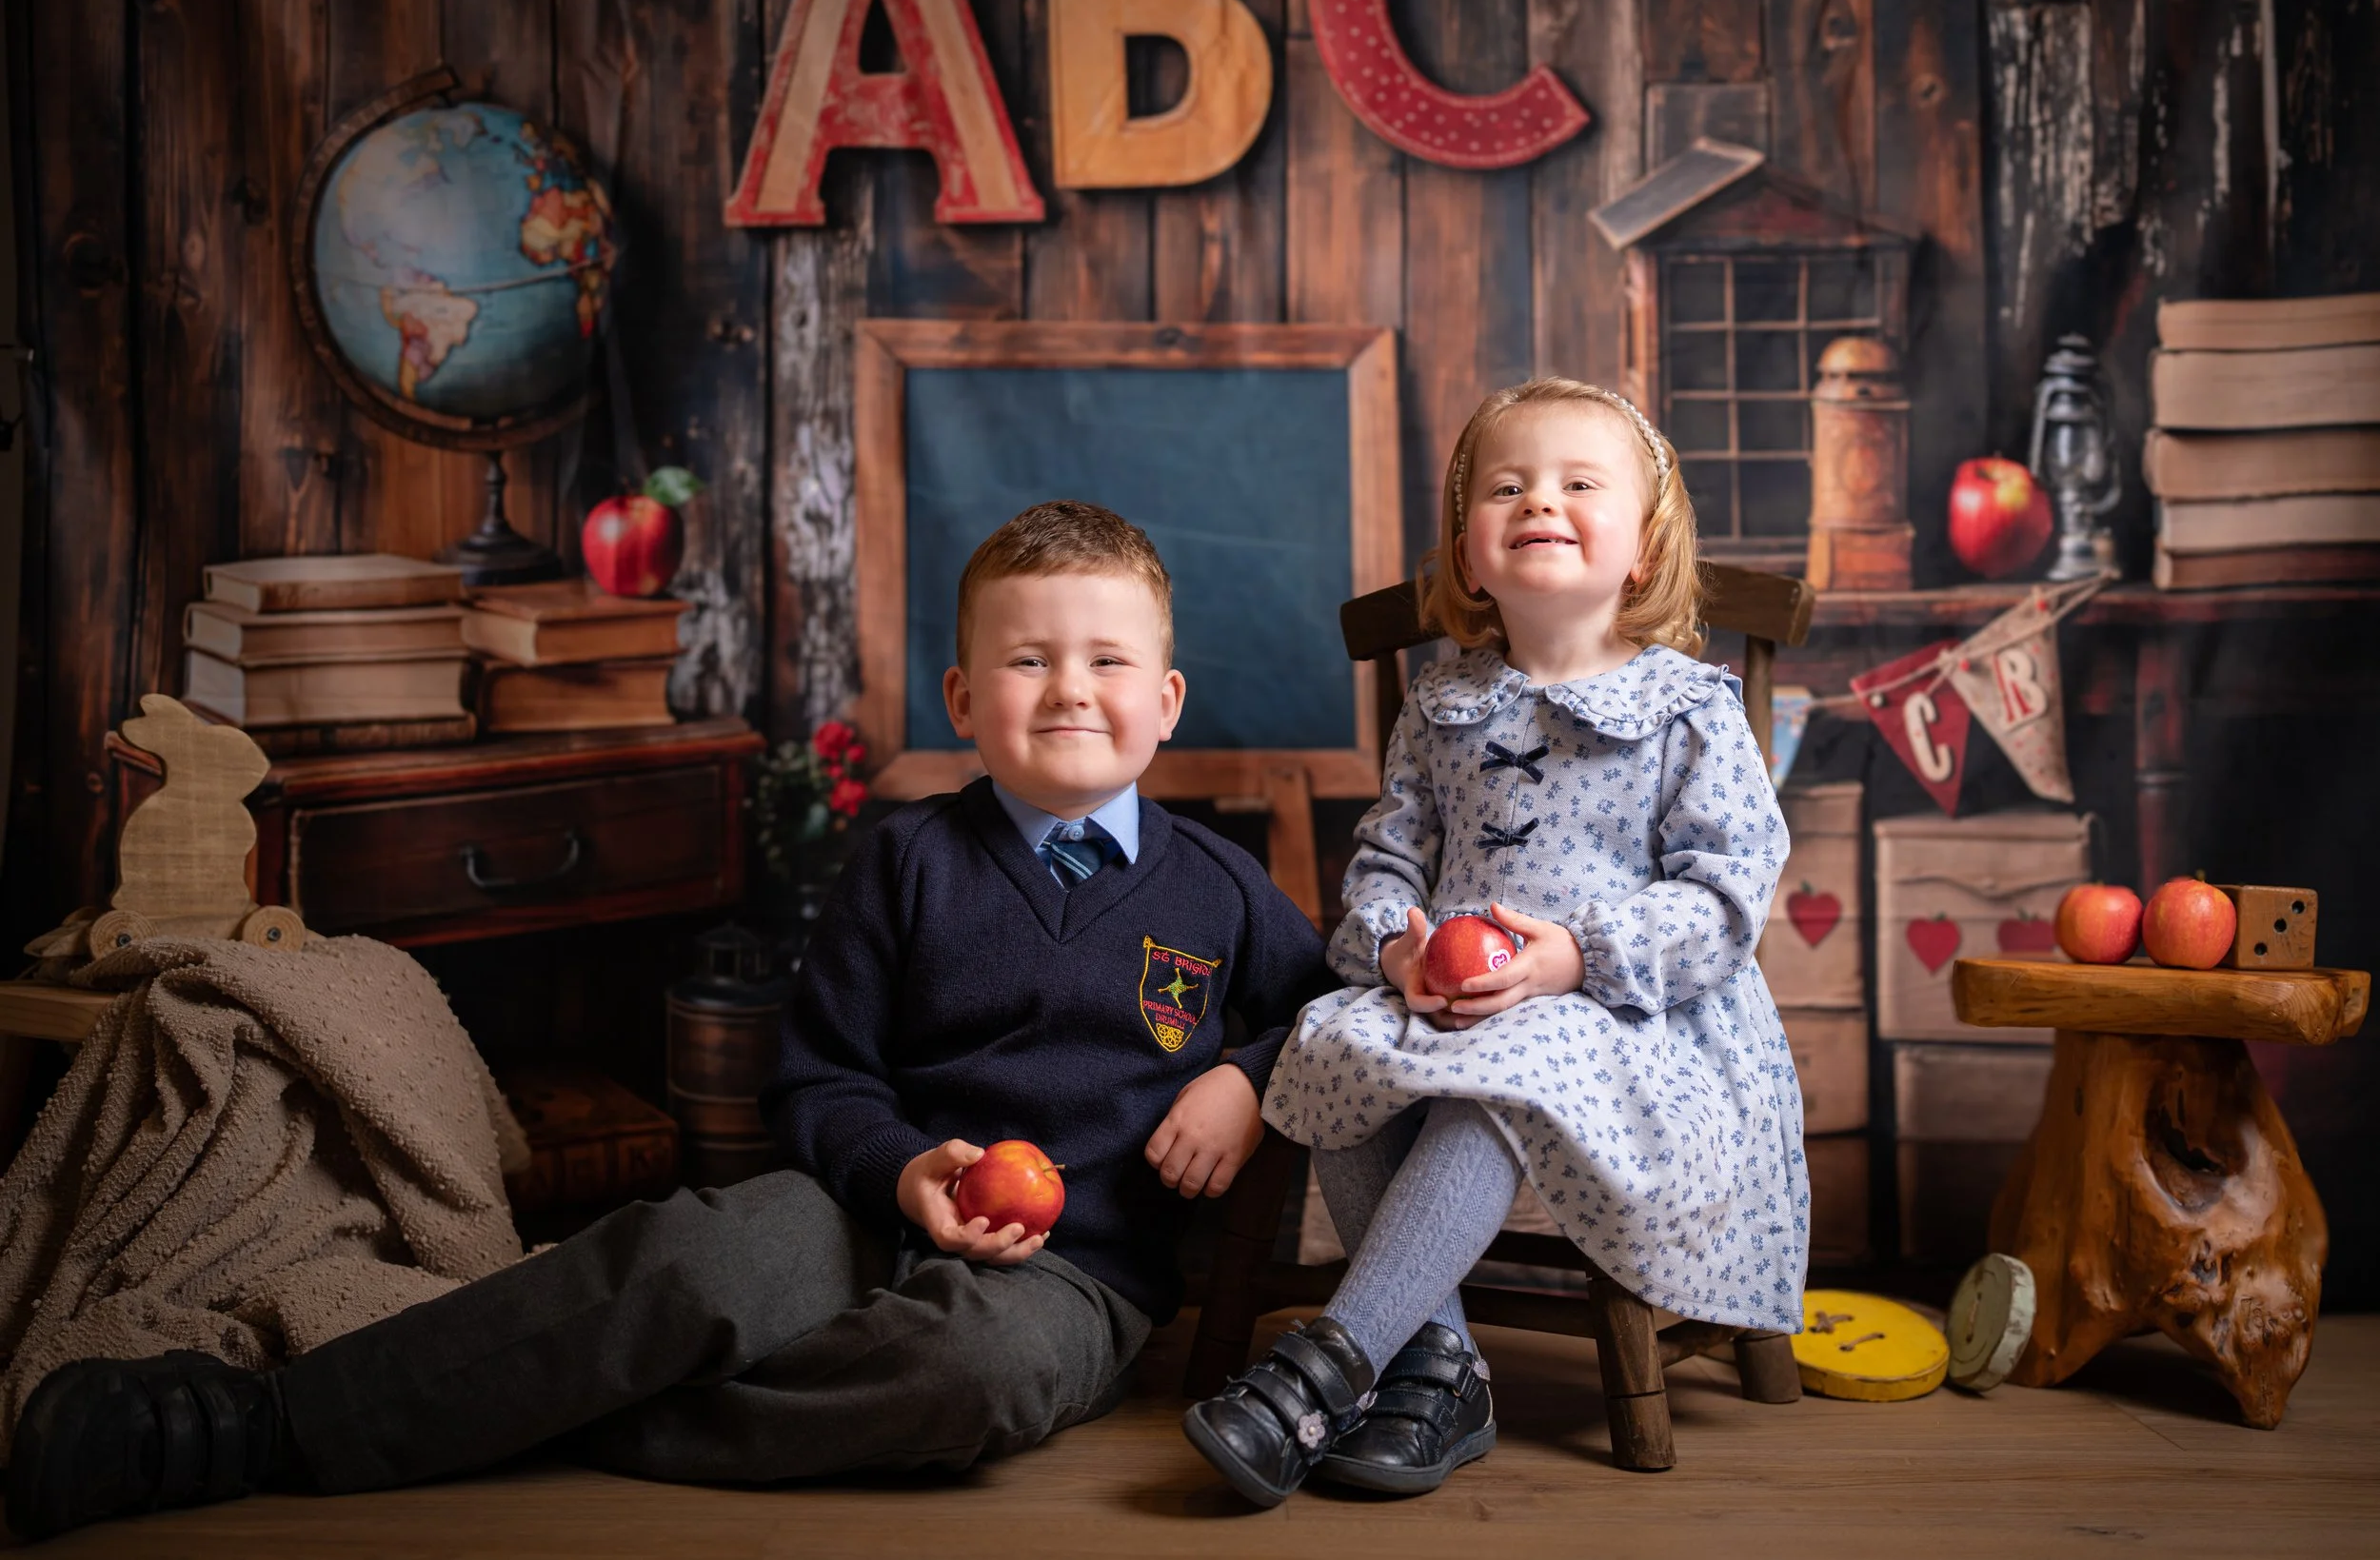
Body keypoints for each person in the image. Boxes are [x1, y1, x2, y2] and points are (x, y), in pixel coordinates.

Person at [6, 501, 1337, 1542]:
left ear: (1164, 702)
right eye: (1027, 657)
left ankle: (500, 1404)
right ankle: (248, 1419)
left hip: (1077, 1273)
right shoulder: (908, 859)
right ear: (959, 698)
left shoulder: (1217, 886)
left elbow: (1339, 1013)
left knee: (965, 1381)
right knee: (682, 1266)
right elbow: (816, 1085)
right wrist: (898, 1166)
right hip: (860, 1204)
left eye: (1108, 659)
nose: (1067, 689)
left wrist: (1243, 1070)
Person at [1181, 379, 1807, 1509]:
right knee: (1332, 1045)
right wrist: (1397, 953)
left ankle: (1328, 1364)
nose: (1540, 502)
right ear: (1468, 554)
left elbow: (1724, 897)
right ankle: (1439, 1367)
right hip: (1451, 1001)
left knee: (1498, 1076)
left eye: (1578, 484)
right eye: (1506, 487)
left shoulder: (1688, 707)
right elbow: (1386, 860)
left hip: (1635, 1024)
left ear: (1645, 545)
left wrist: (1573, 958)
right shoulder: (1442, 703)